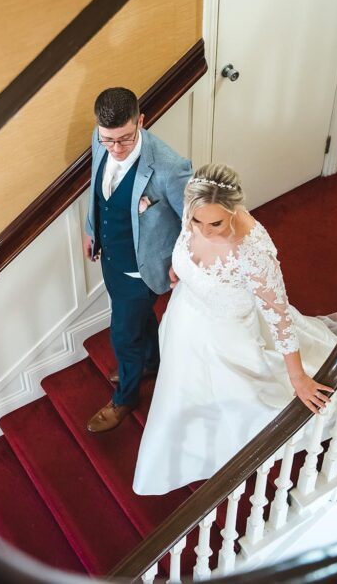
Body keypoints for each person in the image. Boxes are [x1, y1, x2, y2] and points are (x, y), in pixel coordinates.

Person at [133, 163, 337, 495]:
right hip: (186, 318)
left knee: (240, 400)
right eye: (196, 221)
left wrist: (299, 378)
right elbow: (189, 238)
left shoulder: (253, 254)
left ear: (234, 210)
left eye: (215, 223)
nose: (203, 230)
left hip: (229, 340)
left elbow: (279, 318)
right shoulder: (198, 211)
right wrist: (180, 268)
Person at [83, 87, 193, 433]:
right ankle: (151, 362)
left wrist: (181, 261)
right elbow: (96, 189)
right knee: (138, 320)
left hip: (143, 268)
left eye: (125, 140)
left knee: (122, 335)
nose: (115, 149)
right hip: (111, 256)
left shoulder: (169, 167)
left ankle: (126, 397)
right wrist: (91, 230)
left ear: (141, 122)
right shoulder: (100, 137)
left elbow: (194, 220)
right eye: (108, 140)